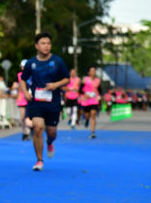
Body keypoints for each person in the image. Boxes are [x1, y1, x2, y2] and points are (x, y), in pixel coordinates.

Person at [20, 32, 69, 171]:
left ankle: (49, 142)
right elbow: (23, 79)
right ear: (36, 46)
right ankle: (39, 160)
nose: (46, 46)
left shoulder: (57, 61)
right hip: (36, 101)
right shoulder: (31, 63)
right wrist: (25, 92)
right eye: (43, 43)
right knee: (38, 128)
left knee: (52, 132)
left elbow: (67, 78)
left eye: (48, 43)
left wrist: (55, 85)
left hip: (53, 101)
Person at [12, 60, 31, 140]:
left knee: (30, 116)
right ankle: (25, 132)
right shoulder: (19, 75)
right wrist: (19, 86)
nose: (24, 68)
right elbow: (14, 86)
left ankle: (30, 131)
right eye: (23, 67)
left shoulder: (32, 74)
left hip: (30, 98)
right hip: (22, 99)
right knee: (23, 117)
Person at [81, 66, 100, 138]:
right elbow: (80, 89)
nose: (93, 72)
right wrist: (85, 94)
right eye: (92, 71)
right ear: (89, 72)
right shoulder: (85, 79)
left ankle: (92, 132)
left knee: (93, 115)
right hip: (86, 100)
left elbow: (100, 90)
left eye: (94, 71)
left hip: (94, 100)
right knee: (87, 115)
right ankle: (86, 120)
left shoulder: (98, 80)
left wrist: (99, 96)